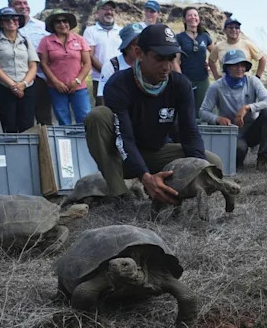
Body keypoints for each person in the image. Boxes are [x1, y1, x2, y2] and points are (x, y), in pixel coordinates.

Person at [84, 24, 223, 203]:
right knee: (97, 116)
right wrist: (144, 176)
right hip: (121, 155)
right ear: (139, 53)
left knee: (213, 164)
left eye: (171, 58)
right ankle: (120, 194)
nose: (167, 66)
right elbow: (124, 138)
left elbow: (190, 132)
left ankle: (167, 194)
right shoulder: (118, 84)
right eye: (159, 58)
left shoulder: (181, 85)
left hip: (157, 152)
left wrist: (198, 168)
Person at [200, 49, 267, 169]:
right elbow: (203, 111)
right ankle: (236, 157)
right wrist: (217, 119)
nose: (239, 68)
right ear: (227, 68)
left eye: (242, 65)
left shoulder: (253, 82)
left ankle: (263, 160)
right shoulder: (217, 86)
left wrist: (248, 107)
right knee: (239, 153)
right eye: (235, 65)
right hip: (231, 131)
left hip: (252, 129)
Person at [0, 7, 38, 133]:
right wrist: (13, 86)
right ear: (1, 23)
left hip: (27, 87)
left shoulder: (26, 41)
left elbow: (33, 65)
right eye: (7, 19)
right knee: (9, 125)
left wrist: (23, 84)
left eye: (15, 18)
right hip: (4, 88)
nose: (11, 21)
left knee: (28, 126)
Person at [36, 9, 92, 125]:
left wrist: (77, 80)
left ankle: (85, 143)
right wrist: (55, 82)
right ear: (53, 25)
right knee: (63, 119)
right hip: (56, 88)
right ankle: (67, 143)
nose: (62, 24)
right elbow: (44, 64)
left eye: (64, 21)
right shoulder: (46, 41)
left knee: (85, 117)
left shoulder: (80, 40)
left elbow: (87, 63)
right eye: (58, 22)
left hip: (78, 87)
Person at [9, 0, 53, 126]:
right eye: (18, 3)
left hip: (40, 77)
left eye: (25, 3)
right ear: (10, 6)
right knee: (21, 119)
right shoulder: (3, 28)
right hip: (15, 78)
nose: (23, 6)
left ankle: (47, 146)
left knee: (44, 118)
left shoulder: (42, 26)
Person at [83, 0, 122, 104]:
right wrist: (107, 72)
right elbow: (90, 55)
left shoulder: (121, 31)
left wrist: (118, 74)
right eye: (104, 9)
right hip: (100, 79)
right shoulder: (90, 31)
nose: (109, 12)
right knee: (103, 111)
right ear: (97, 13)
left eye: (111, 9)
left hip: (122, 78)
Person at [177, 7, 214, 111]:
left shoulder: (205, 36)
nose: (193, 17)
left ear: (199, 19)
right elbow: (175, 61)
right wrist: (181, 80)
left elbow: (215, 54)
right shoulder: (179, 37)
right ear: (184, 20)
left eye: (195, 15)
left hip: (203, 79)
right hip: (186, 78)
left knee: (203, 109)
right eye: (190, 15)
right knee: (186, 109)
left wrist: (210, 65)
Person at [99, 22, 144, 103]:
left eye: (142, 43)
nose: (139, 48)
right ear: (126, 46)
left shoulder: (147, 64)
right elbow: (101, 97)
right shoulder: (111, 66)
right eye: (135, 44)